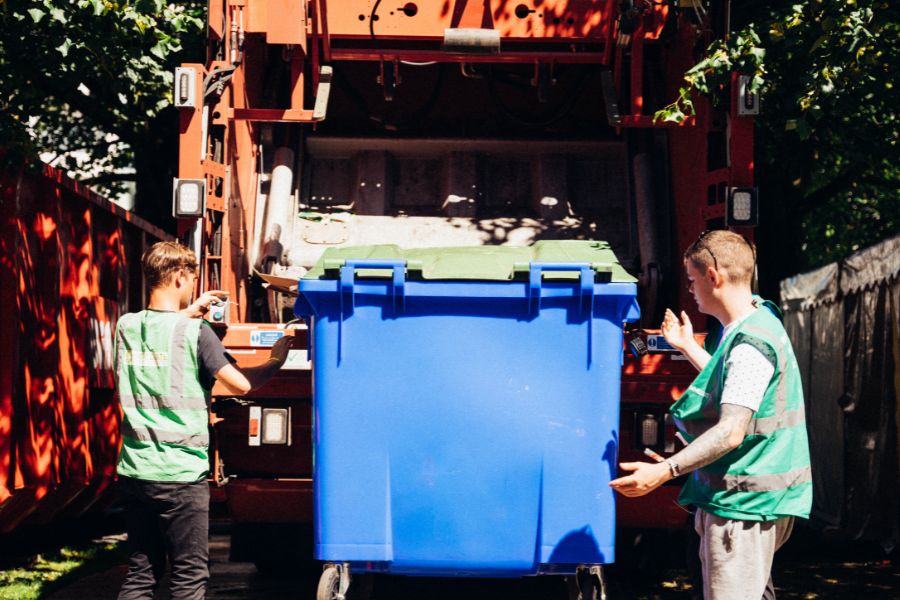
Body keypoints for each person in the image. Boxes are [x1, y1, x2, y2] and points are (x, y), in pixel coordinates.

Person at [609, 230, 812, 600]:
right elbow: (736, 386)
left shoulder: (749, 344)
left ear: (713, 276)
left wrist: (664, 471)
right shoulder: (758, 319)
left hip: (742, 505)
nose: (690, 290)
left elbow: (731, 430)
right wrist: (687, 347)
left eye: (692, 279)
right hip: (756, 500)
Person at [114, 241, 292, 600]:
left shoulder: (126, 326)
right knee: (189, 576)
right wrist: (276, 358)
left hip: (134, 471)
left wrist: (189, 312)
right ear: (181, 276)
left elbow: (160, 333)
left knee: (141, 574)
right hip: (179, 475)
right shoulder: (197, 333)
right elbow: (242, 383)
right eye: (191, 278)